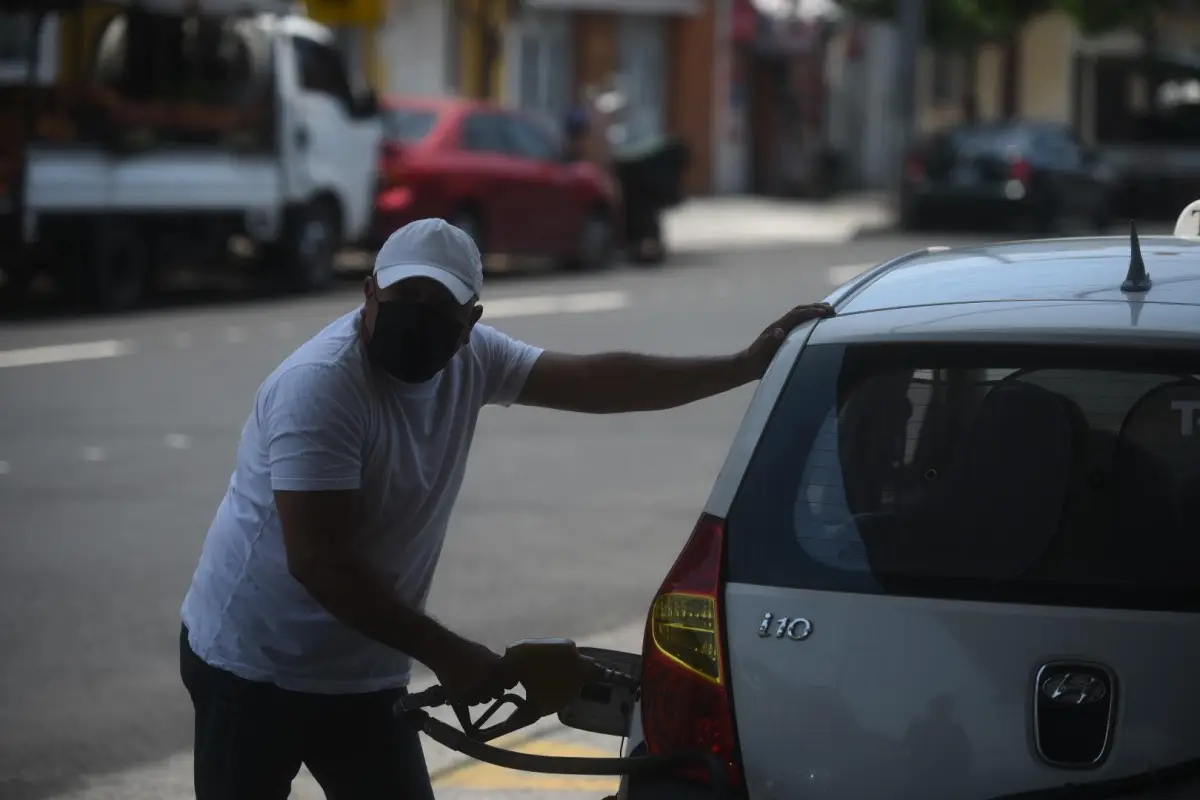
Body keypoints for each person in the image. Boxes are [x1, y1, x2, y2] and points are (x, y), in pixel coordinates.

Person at [178, 217, 835, 799]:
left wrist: (744, 366)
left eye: (438, 306)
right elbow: (319, 562)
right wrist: (449, 652)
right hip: (253, 665)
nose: (417, 316)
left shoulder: (475, 362)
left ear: (471, 323)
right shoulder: (320, 388)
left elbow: (598, 380)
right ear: (369, 293)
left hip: (364, 671)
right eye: (403, 298)